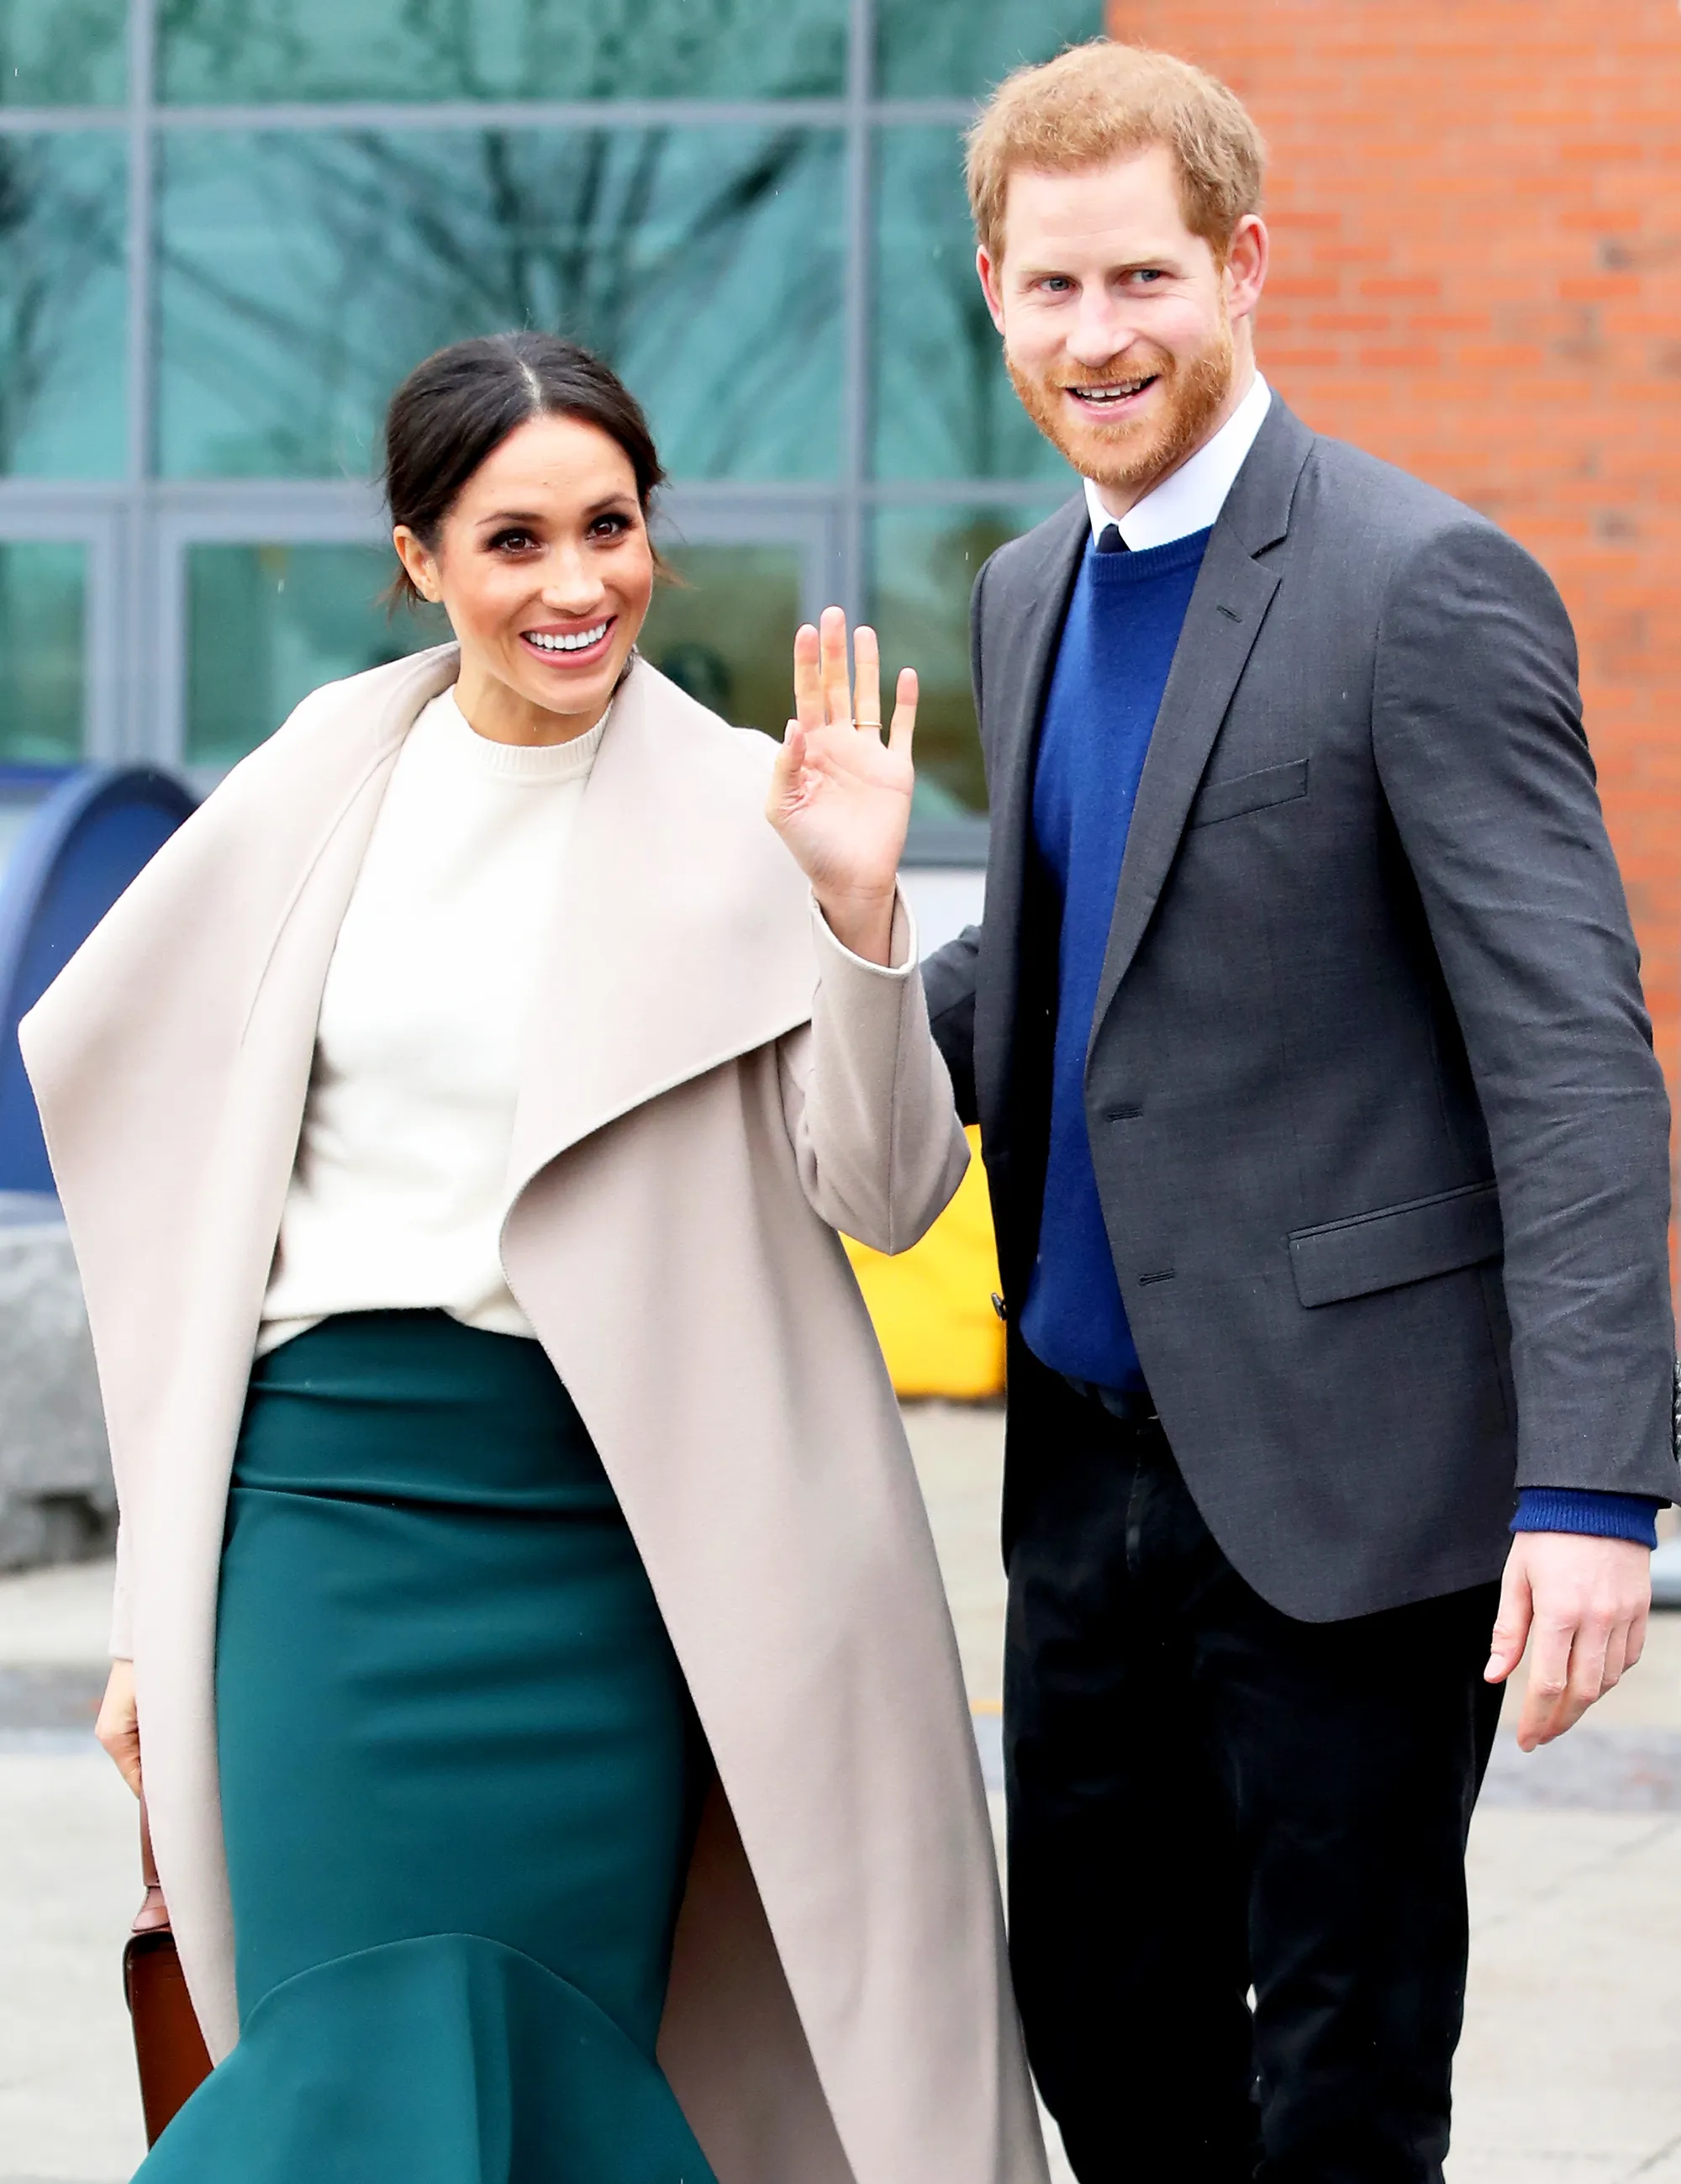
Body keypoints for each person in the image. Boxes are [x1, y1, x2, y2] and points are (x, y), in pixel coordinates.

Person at [22, 332, 1048, 2184]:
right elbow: (173, 1208)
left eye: (610, 527)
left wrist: (855, 905)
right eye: (514, 541)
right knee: (341, 2056)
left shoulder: (750, 805)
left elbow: (891, 1189)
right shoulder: (321, 785)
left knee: (557, 2063)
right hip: (321, 1520)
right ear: (418, 558)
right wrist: (144, 1611)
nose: (577, 584)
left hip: (617, 1542)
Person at [920, 40, 1678, 2184]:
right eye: (1053, 287)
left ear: (1243, 266)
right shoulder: (1022, 594)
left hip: (1350, 1483)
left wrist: (1593, 1487)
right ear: (994, 292)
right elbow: (1061, 983)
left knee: (1341, 2075)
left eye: (1142, 279)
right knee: (1096, 2025)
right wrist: (818, 963)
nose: (1097, 336)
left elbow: (1570, 1055)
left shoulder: (1421, 585)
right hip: (1080, 1474)